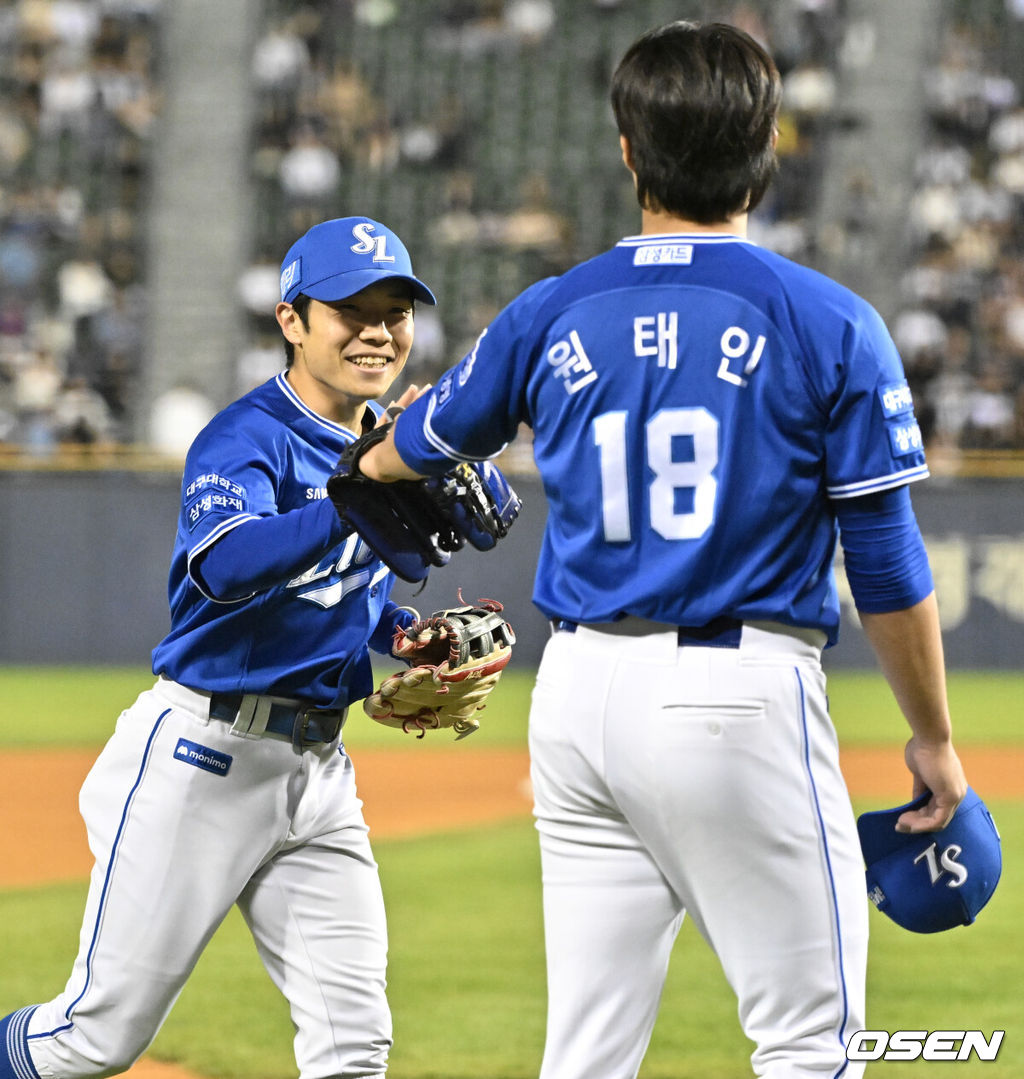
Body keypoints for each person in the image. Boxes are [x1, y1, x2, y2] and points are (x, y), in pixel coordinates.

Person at [350, 22, 970, 1079]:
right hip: (734, 694)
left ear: (628, 150)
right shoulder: (829, 321)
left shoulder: (548, 311)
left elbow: (409, 447)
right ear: (769, 148)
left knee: (586, 1052)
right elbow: (884, 558)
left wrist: (370, 460)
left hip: (579, 701)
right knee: (811, 1045)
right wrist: (931, 737)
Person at [0, 216, 437, 1079]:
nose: (378, 329)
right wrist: (358, 491)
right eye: (351, 308)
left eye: (396, 309)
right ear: (291, 320)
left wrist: (408, 638)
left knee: (355, 1047)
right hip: (205, 760)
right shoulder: (246, 435)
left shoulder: (382, 439)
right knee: (92, 1041)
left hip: (319, 776)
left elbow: (353, 587)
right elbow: (229, 566)